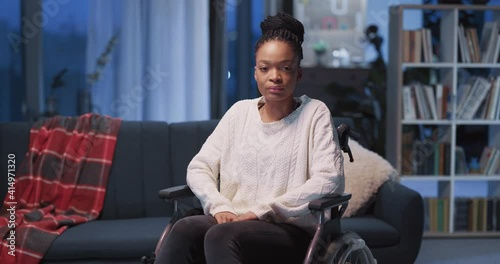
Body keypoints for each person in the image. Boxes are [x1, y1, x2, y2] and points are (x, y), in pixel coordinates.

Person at [154, 12, 345, 264]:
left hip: (291, 229)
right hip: (232, 218)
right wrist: (218, 204)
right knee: (184, 228)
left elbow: (329, 180)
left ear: (298, 73)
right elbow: (200, 167)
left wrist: (262, 211)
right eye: (265, 68)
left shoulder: (315, 113)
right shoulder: (239, 112)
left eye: (285, 68)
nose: (274, 76)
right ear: (255, 73)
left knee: (220, 236)